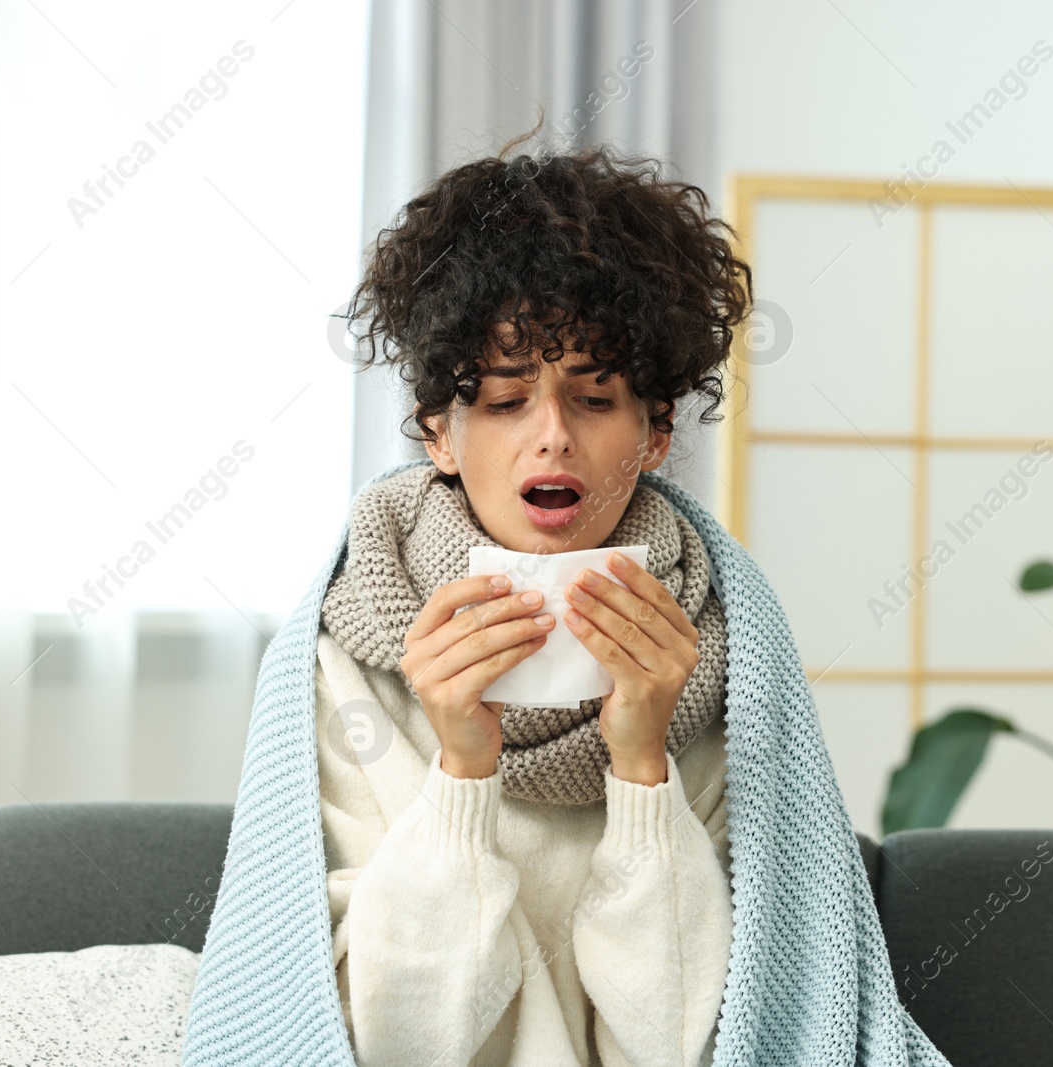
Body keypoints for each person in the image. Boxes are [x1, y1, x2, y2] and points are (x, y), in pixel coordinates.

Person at [315, 126, 753, 1066]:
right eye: (507, 400)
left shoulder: (716, 663)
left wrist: (641, 764)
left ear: (655, 433)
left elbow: (679, 1045)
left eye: (595, 398)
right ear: (439, 431)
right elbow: (392, 1042)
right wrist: (462, 769)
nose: (551, 437)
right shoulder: (350, 654)